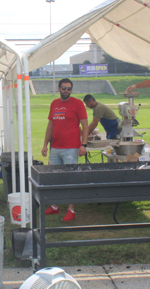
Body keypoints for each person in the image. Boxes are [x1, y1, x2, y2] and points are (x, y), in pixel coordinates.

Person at [41, 78, 89, 222]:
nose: (66, 91)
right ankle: (54, 206)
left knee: (70, 178)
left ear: (71, 90)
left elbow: (85, 126)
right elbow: (50, 125)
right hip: (55, 147)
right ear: (59, 89)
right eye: (64, 88)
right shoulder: (54, 104)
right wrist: (45, 144)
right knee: (54, 178)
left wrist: (84, 145)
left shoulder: (78, 103)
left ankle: (71, 209)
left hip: (71, 148)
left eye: (69, 88)